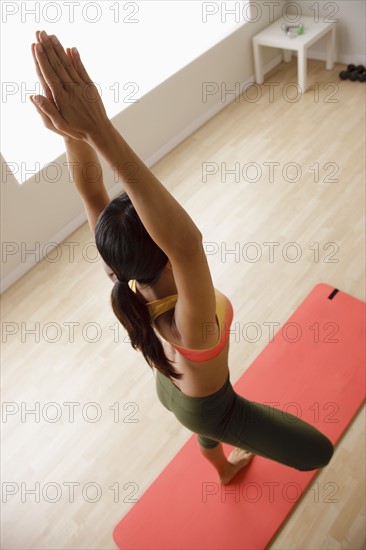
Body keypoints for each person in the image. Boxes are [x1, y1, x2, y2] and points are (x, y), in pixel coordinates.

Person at [30, 30, 334, 484]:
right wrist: (99, 129)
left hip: (172, 391)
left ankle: (221, 469)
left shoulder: (122, 274)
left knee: (205, 426)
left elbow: (91, 189)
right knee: (318, 451)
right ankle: (220, 456)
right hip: (213, 409)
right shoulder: (189, 321)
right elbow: (187, 243)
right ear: (166, 253)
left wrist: (73, 133)